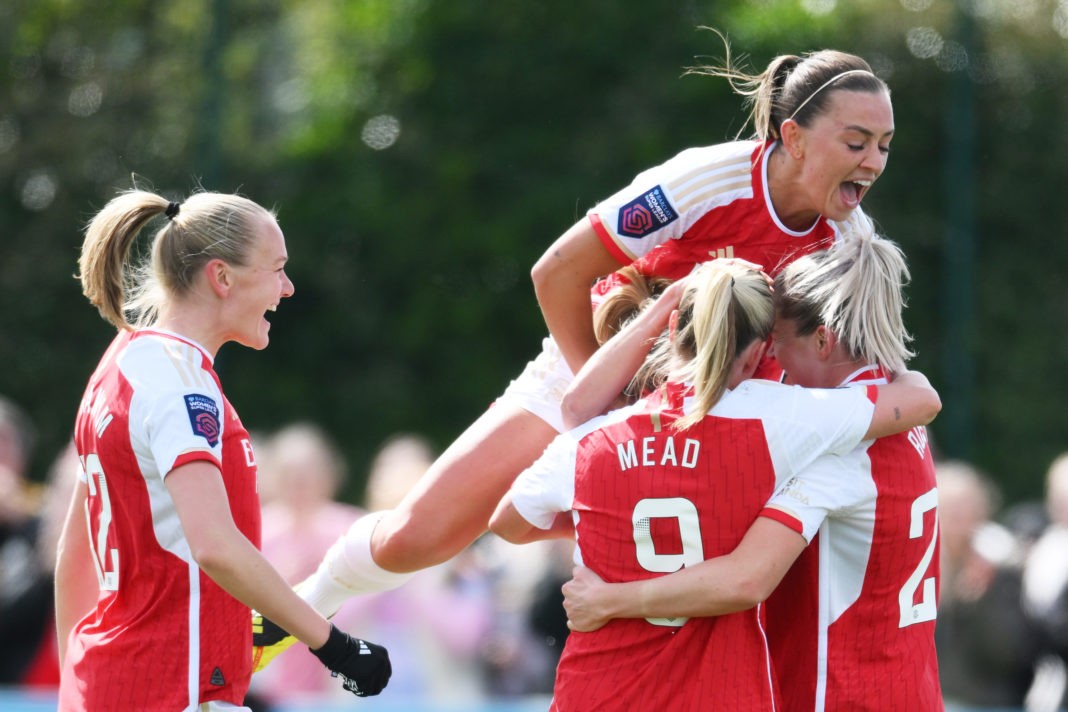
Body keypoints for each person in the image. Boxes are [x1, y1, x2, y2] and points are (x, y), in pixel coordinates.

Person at [254, 37, 897, 665]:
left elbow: (860, 360)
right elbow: (556, 274)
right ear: (790, 137)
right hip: (604, 366)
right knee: (419, 536)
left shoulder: (851, 239)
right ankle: (290, 612)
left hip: (728, 406)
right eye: (856, 142)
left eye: (884, 146)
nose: (873, 163)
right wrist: (607, 404)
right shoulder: (709, 181)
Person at [489, 258, 940, 710]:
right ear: (751, 356)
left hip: (594, 690)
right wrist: (909, 372)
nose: (776, 361)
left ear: (670, 332)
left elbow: (512, 514)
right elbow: (921, 401)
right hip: (733, 691)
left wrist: (608, 560)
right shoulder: (784, 420)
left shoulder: (589, 441)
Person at [53, 189, 391, 712]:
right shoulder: (181, 386)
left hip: (107, 683)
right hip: (170, 691)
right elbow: (214, 543)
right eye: (277, 269)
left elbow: (76, 555)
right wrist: (336, 647)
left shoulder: (120, 363)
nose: (288, 287)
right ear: (223, 277)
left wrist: (74, 682)